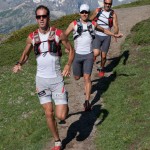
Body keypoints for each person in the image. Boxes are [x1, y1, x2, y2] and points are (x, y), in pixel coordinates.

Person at [12, 5, 74, 150]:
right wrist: (19, 63)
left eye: (44, 16)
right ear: (36, 19)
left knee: (61, 116)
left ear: (48, 17)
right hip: (41, 81)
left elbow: (71, 50)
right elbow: (26, 54)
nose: (41, 19)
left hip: (57, 80)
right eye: (39, 17)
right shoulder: (32, 37)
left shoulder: (59, 34)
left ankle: (65, 101)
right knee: (48, 112)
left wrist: (68, 65)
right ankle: (57, 141)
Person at [65, 4, 122, 111]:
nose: (84, 14)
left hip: (89, 56)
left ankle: (87, 102)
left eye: (86, 12)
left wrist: (114, 35)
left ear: (88, 13)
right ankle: (82, 71)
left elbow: (104, 30)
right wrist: (68, 47)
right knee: (77, 77)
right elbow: (64, 36)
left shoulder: (93, 24)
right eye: (82, 12)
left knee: (87, 78)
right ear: (79, 13)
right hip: (77, 56)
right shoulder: (73, 24)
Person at [90, 0, 119, 77]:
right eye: (106, 3)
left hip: (107, 37)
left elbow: (115, 25)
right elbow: (90, 20)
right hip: (97, 35)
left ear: (111, 4)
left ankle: (102, 68)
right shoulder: (97, 10)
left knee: (103, 56)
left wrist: (115, 34)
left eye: (109, 4)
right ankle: (94, 57)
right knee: (96, 52)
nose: (107, 5)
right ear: (103, 3)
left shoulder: (113, 14)